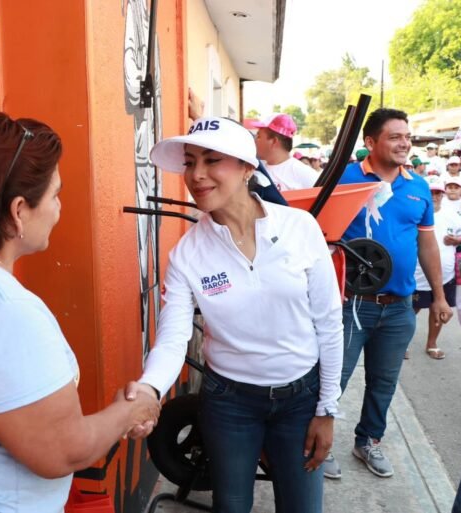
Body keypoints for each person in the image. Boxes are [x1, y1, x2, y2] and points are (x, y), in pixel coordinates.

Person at [0, 112, 159, 512]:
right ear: (19, 211)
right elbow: (63, 451)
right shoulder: (6, 313)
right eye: (54, 195)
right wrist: (132, 410)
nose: (58, 208)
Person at [126, 116, 343, 513]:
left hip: (300, 399)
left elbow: (329, 324)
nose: (197, 174)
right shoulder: (187, 254)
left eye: (213, 160)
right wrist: (149, 388)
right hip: (230, 403)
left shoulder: (300, 228)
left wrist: (327, 409)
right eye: (190, 162)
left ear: (247, 168)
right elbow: (173, 338)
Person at [321, 108, 452, 480]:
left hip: (400, 308)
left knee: (383, 382)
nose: (404, 142)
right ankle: (317, 445)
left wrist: (439, 297)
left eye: (407, 136)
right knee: (333, 378)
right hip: (350, 304)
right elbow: (314, 231)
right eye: (395, 136)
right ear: (370, 143)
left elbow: (426, 244)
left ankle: (369, 442)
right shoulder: (344, 179)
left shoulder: (418, 186)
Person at [409, 180, 461, 359]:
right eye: (431, 192)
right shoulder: (416, 211)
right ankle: (402, 343)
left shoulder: (453, 214)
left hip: (446, 275)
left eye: (437, 193)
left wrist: (458, 240)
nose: (434, 196)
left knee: (439, 308)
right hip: (418, 273)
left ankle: (432, 344)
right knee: (411, 310)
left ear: (442, 195)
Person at [252, 113, 319, 191]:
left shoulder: (305, 174)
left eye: (259, 136)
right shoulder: (255, 168)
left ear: (274, 141)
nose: (255, 140)